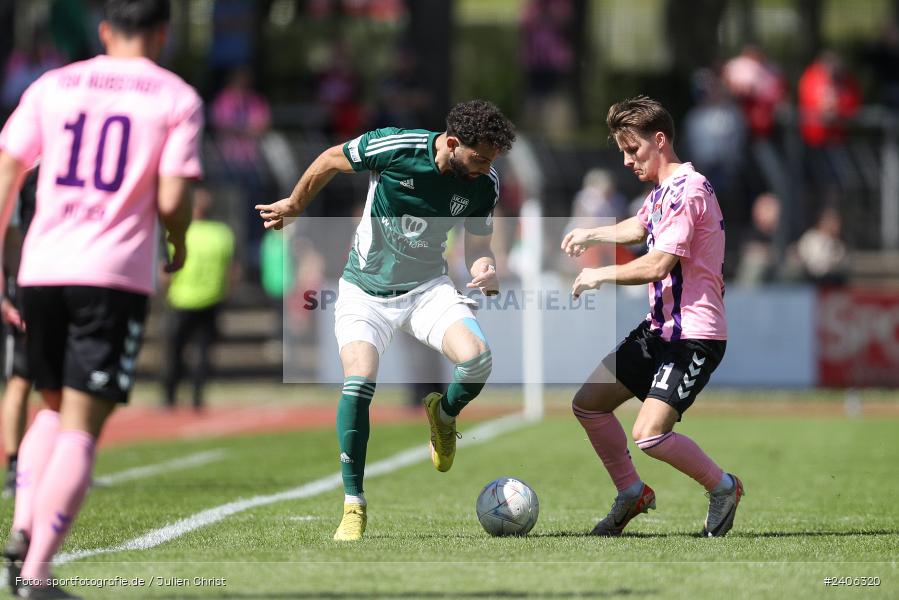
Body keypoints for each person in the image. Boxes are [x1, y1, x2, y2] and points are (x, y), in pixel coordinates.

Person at [0, 1, 202, 597]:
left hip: (42, 267)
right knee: (83, 425)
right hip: (110, 273)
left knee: (50, 406)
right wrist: (178, 240)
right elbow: (173, 199)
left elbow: (9, 169)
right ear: (162, 33)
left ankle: (21, 530)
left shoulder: (52, 85)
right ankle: (37, 574)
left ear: (105, 29)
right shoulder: (175, 97)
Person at [256, 99, 515, 542]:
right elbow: (330, 158)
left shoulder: (484, 183)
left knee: (478, 359)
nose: (485, 168)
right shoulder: (396, 146)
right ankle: (353, 505)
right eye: (479, 158)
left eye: (491, 160)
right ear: (453, 143)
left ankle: (444, 415)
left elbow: (477, 247)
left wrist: (485, 269)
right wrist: (296, 204)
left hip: (427, 288)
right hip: (365, 290)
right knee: (359, 382)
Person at [561, 96, 743, 538]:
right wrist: (592, 233)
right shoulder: (664, 191)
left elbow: (658, 263)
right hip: (659, 330)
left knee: (650, 435)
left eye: (633, 149)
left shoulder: (688, 190)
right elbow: (640, 227)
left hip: (693, 336)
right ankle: (631, 492)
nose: (627, 160)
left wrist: (599, 273)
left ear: (659, 140)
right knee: (588, 404)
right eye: (623, 151)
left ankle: (724, 487)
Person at [162, 186, 235, 411]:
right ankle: (196, 398)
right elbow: (231, 270)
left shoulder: (177, 231)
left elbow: (166, 270)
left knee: (174, 351)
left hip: (181, 299)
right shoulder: (222, 233)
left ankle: (169, 398)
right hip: (212, 299)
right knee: (203, 352)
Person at [1, 167, 38, 500]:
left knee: (27, 378)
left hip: (41, 280)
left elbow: (12, 234)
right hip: (25, 284)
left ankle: (27, 467)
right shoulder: (16, 166)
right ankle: (14, 466)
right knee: (19, 379)